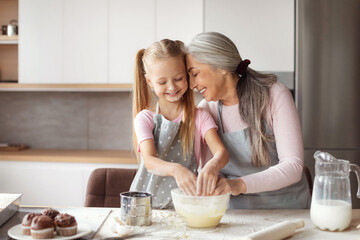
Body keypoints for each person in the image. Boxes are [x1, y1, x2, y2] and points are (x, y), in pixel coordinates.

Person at [185, 32, 310, 209]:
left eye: (195, 74)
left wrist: (238, 185)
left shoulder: (274, 95)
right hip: (235, 214)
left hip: (286, 209)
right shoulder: (206, 109)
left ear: (221, 66)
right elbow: (211, 171)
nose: (192, 85)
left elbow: (293, 166)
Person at [130, 39, 229, 209]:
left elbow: (222, 153)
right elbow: (149, 161)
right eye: (162, 82)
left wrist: (213, 165)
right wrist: (177, 170)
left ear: (187, 75)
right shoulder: (145, 118)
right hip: (145, 206)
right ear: (149, 82)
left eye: (178, 78)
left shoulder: (200, 116)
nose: (171, 87)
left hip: (185, 205)